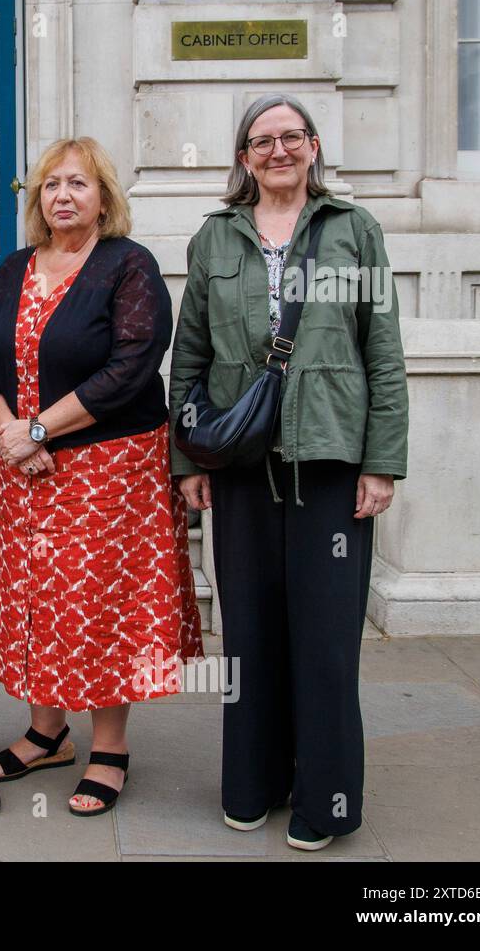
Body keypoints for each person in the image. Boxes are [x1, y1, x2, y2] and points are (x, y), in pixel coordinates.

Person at [169, 94, 408, 851]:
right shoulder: (215, 239)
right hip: (241, 466)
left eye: (291, 137)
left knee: (328, 641)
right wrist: (187, 459)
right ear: (243, 157)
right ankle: (253, 783)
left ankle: (326, 800)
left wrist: (382, 461)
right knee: (250, 635)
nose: (277, 150)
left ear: (312, 147)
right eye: (261, 140)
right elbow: (190, 357)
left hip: (331, 462)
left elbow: (384, 353)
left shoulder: (352, 231)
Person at [0, 136, 204, 816]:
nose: (63, 195)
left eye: (78, 183)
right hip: (26, 471)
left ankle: (110, 746)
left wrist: (40, 427)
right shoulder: (15, 268)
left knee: (104, 604)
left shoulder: (127, 266)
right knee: (39, 599)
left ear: (104, 197)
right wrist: (9, 429)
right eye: (50, 185)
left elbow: (134, 361)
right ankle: (47, 733)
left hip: (110, 470)